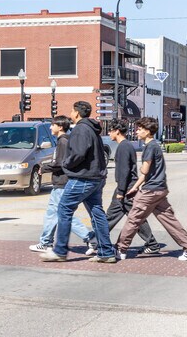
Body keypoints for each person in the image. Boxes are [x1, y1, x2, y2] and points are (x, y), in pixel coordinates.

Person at [39, 101, 116, 263]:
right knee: (97, 214)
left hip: (83, 177)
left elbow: (78, 154)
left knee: (64, 210)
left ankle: (60, 251)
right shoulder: (92, 129)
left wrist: (67, 164)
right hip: (96, 177)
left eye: (72, 110)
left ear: (77, 113)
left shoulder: (81, 129)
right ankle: (106, 252)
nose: (71, 113)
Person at [116, 117, 187, 261]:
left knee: (133, 218)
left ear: (148, 131)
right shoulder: (154, 145)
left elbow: (144, 170)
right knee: (168, 219)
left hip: (150, 191)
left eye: (140, 129)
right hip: (160, 189)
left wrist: (141, 167)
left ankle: (121, 248)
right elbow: (148, 174)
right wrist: (135, 187)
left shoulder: (150, 147)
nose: (137, 131)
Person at [86, 118, 160, 257]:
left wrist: (121, 191)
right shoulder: (125, 146)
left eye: (111, 130)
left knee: (125, 217)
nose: (109, 133)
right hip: (127, 187)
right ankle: (151, 244)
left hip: (126, 188)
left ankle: (96, 242)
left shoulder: (124, 147)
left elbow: (124, 170)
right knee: (130, 217)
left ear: (117, 131)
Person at [29, 115, 94, 253]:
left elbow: (60, 163)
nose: (51, 127)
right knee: (54, 213)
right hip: (62, 182)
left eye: (52, 125)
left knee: (63, 214)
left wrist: (45, 168)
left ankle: (90, 238)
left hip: (62, 183)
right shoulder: (65, 140)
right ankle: (46, 242)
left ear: (60, 127)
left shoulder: (63, 142)